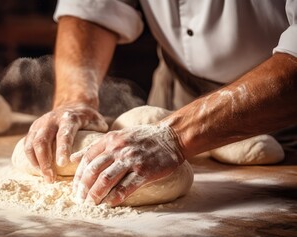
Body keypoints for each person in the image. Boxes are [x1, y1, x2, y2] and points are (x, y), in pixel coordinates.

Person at [22, 0, 297, 207]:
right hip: (180, 89)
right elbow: (91, 8)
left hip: (282, 100)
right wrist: (75, 99)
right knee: (139, 148)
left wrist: (173, 137)